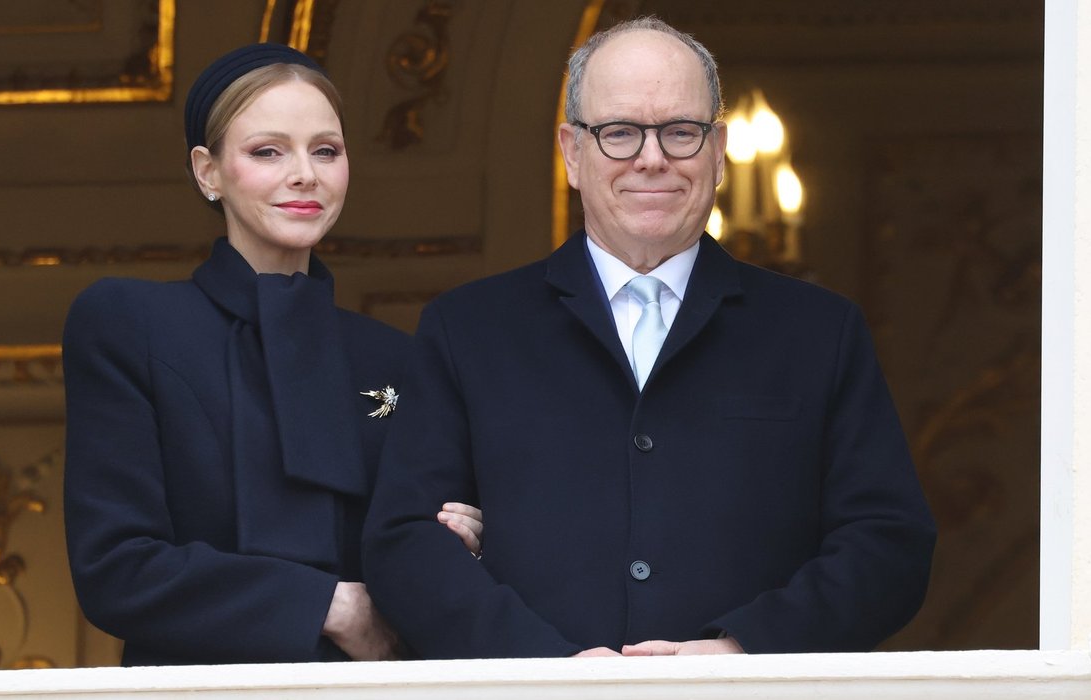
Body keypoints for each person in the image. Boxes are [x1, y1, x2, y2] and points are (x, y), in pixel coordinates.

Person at [361, 17, 936, 658]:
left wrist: (742, 653)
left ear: (718, 151)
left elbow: (889, 543)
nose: (652, 157)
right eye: (620, 132)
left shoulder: (820, 332)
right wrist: (544, 669)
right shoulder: (467, 329)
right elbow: (404, 542)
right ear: (573, 152)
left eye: (680, 132)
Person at [62, 43, 481, 666]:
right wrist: (328, 605)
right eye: (268, 151)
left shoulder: (395, 359)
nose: (305, 174)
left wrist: (451, 546)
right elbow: (117, 570)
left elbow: (417, 558)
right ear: (208, 172)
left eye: (326, 151)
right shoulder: (132, 324)